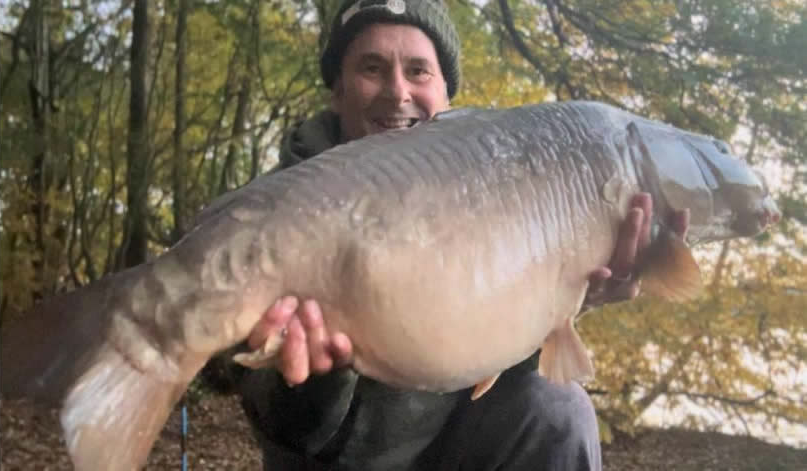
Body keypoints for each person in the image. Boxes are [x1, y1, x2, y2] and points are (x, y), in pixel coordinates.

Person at [222, 1, 690, 469]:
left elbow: (502, 366)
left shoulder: (500, 194)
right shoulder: (272, 217)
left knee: (559, 410)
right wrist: (317, 376)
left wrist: (570, 299)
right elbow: (281, 424)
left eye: (419, 71)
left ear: (446, 96)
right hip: (327, 460)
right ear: (338, 92)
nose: (397, 90)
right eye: (372, 67)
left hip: (449, 449)